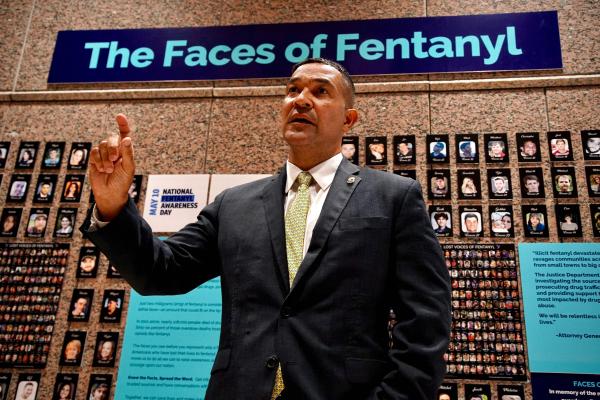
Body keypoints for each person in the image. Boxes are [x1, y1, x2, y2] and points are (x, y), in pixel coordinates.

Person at [81, 58, 451, 400]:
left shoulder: (393, 197)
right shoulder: (234, 205)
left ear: (349, 119)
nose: (301, 100)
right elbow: (159, 272)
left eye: (321, 92)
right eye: (293, 90)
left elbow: (425, 319)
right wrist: (113, 205)